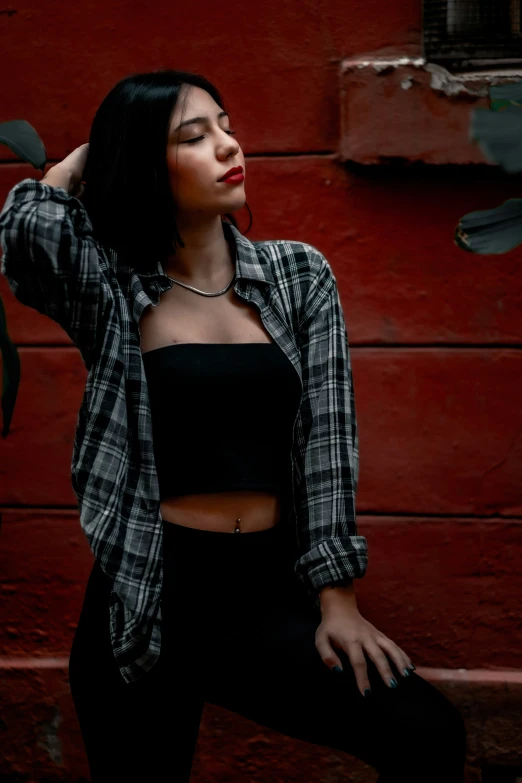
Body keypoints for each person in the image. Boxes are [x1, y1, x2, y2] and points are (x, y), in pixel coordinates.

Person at [0, 69, 467, 782]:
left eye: (225, 124)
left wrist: (337, 600)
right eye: (194, 136)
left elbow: (327, 443)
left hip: (266, 592)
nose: (226, 145)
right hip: (150, 596)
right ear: (143, 165)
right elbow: (28, 235)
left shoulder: (298, 277)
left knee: (427, 735)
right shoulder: (114, 287)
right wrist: (88, 157)